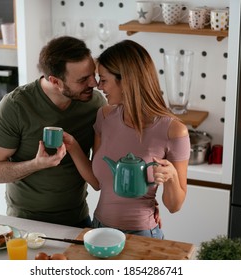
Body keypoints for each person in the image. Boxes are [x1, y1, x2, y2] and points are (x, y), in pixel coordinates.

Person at [64, 40, 190, 239]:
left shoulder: (174, 131)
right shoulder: (104, 117)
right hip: (99, 230)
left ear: (126, 81)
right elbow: (98, 182)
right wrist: (71, 146)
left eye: (104, 80)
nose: (98, 86)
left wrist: (172, 176)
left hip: (142, 235)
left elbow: (175, 206)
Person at [0, 36, 106, 228]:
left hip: (77, 219)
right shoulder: (15, 106)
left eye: (93, 74)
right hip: (24, 223)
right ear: (55, 81)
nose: (94, 83)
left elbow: (101, 174)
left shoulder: (95, 105)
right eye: (83, 80)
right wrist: (35, 165)